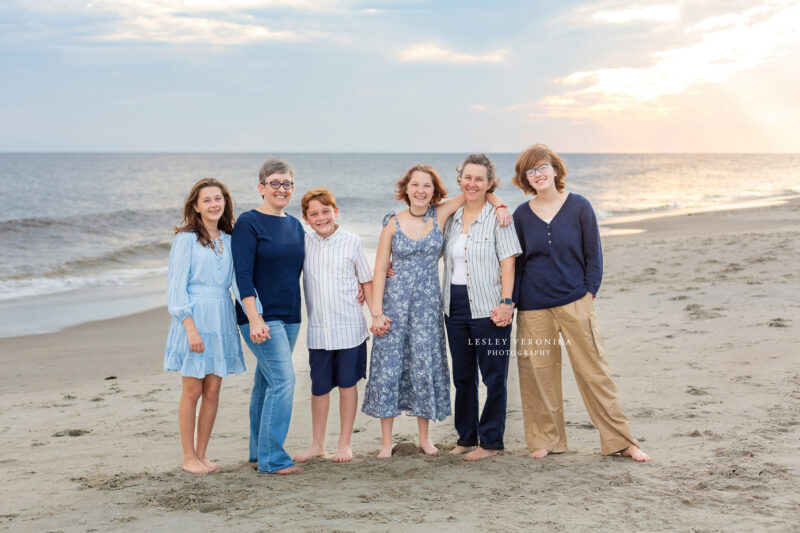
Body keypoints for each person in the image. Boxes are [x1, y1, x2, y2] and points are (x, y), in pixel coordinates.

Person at [511, 144, 650, 462]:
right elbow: (517, 264)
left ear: (555, 169)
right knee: (539, 377)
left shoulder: (579, 206)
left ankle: (622, 441)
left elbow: (593, 254)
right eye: (531, 171)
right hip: (533, 308)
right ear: (525, 179)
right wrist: (515, 302)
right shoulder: (521, 215)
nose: (538, 174)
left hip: (576, 301)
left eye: (542, 167)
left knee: (595, 373)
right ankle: (547, 440)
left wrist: (589, 292)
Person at [362, 164, 511, 459]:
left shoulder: (439, 215)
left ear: (434, 191)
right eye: (415, 185)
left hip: (429, 307)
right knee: (388, 367)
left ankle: (424, 439)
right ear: (406, 189)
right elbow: (379, 267)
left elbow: (477, 192)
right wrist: (376, 312)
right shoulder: (392, 222)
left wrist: (501, 203)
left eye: (426, 186)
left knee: (424, 366)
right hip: (394, 303)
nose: (420, 191)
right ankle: (385, 442)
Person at [441, 154, 522, 461]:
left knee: (493, 377)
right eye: (467, 177)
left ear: (489, 184)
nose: (472, 183)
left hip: (490, 307)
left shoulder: (498, 216)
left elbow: (508, 261)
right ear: (460, 179)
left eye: (479, 179)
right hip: (454, 306)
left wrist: (506, 302)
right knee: (462, 377)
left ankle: (490, 442)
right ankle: (465, 436)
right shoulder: (451, 217)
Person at [164, 178, 245, 475]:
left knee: (212, 392)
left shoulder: (230, 238)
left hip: (221, 315)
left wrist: (256, 313)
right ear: (196, 207)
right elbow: (176, 287)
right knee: (192, 392)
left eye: (218, 198)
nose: (214, 204)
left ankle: (202, 455)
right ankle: (188, 458)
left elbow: (238, 283)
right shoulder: (185, 239)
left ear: (225, 202)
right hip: (194, 317)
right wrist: (189, 326)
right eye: (207, 200)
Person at [232, 158, 305, 475]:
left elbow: (309, 267)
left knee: (266, 382)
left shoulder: (295, 225)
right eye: (275, 183)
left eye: (287, 183)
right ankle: (272, 458)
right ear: (261, 187)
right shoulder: (248, 223)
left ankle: (258, 451)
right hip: (260, 317)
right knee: (284, 381)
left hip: (291, 316)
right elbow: (241, 274)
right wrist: (255, 317)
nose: (281, 188)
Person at [293, 188, 375, 464]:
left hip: (350, 328)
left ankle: (344, 444)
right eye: (314, 214)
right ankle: (317, 444)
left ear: (335, 211)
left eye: (325, 211)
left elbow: (366, 279)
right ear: (305, 218)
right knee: (319, 389)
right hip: (319, 332)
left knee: (347, 386)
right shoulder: (303, 243)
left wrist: (374, 311)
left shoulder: (352, 241)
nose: (321, 217)